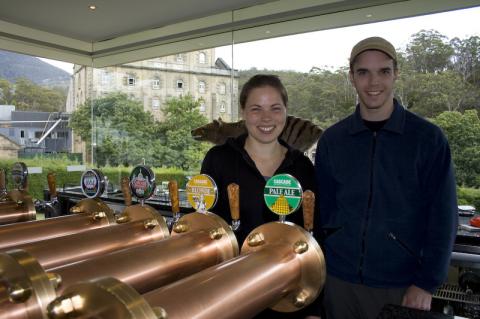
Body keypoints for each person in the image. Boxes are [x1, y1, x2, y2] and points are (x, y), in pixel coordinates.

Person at [314, 36, 458, 319]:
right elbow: (322, 213)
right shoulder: (333, 140)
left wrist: (426, 283)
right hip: (338, 282)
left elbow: (443, 218)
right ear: (351, 77)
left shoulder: (427, 139)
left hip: (401, 286)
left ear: (396, 74)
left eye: (384, 71)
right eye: (363, 72)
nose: (373, 82)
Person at [201, 74, 320, 318]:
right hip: (230, 293)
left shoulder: (302, 167)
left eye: (275, 109)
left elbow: (312, 236)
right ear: (243, 112)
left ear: (286, 112)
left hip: (287, 296)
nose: (266, 118)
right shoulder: (219, 159)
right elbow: (204, 229)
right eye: (256, 109)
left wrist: (314, 305)